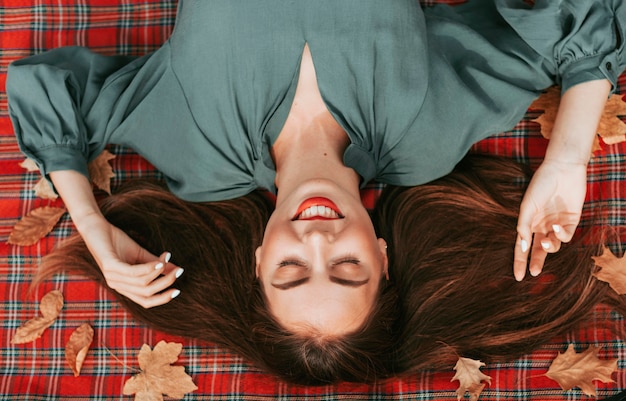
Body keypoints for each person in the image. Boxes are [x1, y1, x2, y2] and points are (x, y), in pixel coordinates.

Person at [7, 0, 626, 384]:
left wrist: (90, 227)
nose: (319, 238)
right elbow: (585, 13)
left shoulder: (198, 152)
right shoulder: (426, 137)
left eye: (292, 270)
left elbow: (43, 91)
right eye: (348, 267)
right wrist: (567, 157)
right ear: (383, 256)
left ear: (257, 261)